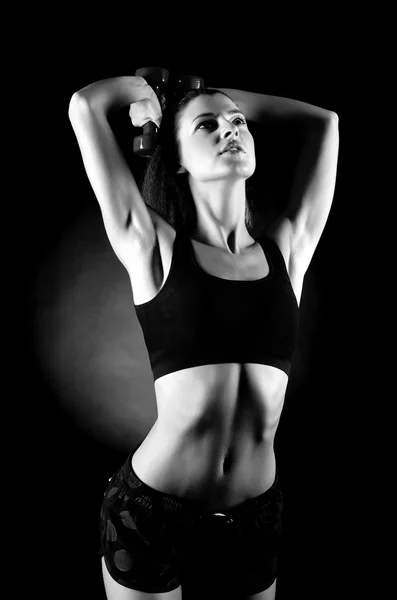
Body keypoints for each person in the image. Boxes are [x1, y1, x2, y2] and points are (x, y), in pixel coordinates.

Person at [68, 72, 339, 600]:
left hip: (255, 516)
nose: (231, 128)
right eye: (208, 125)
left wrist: (210, 95)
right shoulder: (152, 246)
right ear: (176, 160)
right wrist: (150, 96)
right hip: (153, 513)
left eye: (238, 121)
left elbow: (323, 122)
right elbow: (85, 106)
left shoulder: (289, 250)